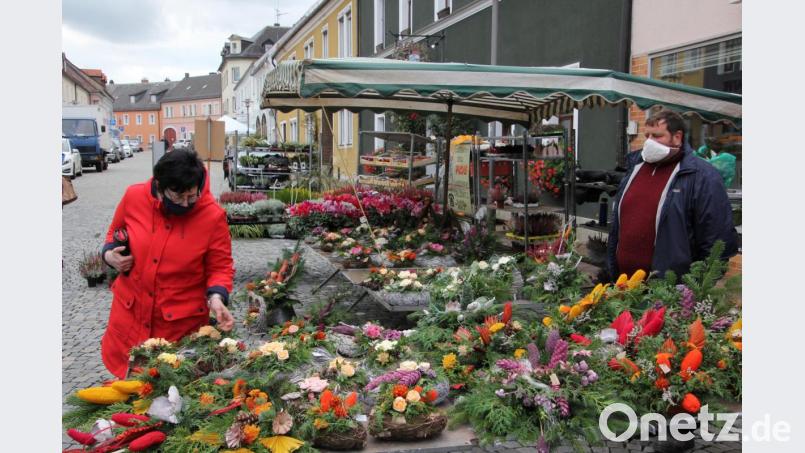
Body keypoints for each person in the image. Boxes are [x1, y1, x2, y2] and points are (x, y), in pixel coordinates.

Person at [100, 150, 235, 378]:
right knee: (127, 395)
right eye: (177, 197)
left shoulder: (212, 216)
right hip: (130, 320)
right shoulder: (134, 196)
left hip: (178, 328)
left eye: (191, 197)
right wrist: (109, 256)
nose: (185, 204)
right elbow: (114, 232)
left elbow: (220, 266)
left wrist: (216, 297)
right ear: (160, 187)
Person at [607, 109, 738, 280]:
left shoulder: (702, 176)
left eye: (657, 136)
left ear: (677, 137)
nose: (649, 142)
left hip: (669, 292)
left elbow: (717, 241)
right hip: (623, 285)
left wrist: (693, 289)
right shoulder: (635, 167)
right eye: (647, 136)